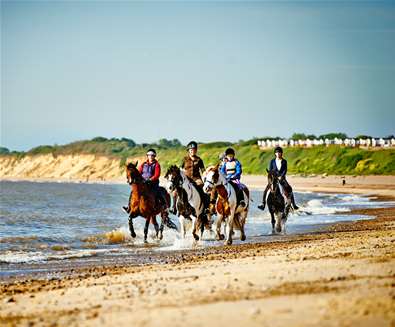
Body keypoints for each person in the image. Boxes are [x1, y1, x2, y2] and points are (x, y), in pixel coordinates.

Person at [123, 148, 166, 213]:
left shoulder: (157, 164)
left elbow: (157, 175)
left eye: (152, 155)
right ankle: (129, 207)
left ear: (154, 156)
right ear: (147, 156)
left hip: (153, 183)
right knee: (133, 192)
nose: (150, 156)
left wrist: (150, 179)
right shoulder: (143, 164)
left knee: (157, 192)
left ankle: (163, 205)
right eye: (149, 155)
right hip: (143, 182)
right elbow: (139, 173)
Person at [258, 146, 299, 211]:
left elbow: (285, 170)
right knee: (266, 190)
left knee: (289, 188)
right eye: (277, 152)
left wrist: (281, 176)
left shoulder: (284, 161)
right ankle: (263, 204)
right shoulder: (272, 161)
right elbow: (270, 170)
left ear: (281, 153)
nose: (278, 153)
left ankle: (294, 204)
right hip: (274, 179)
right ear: (275, 153)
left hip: (281, 178)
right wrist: (272, 176)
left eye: (279, 152)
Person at [170, 141, 207, 214]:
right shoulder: (184, 159)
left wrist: (205, 177)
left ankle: (205, 207)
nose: (193, 151)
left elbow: (203, 171)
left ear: (196, 150)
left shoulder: (199, 160)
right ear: (189, 151)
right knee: (175, 191)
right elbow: (180, 169)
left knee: (203, 189)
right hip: (186, 179)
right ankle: (174, 207)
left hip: (196, 179)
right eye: (191, 150)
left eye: (194, 149)